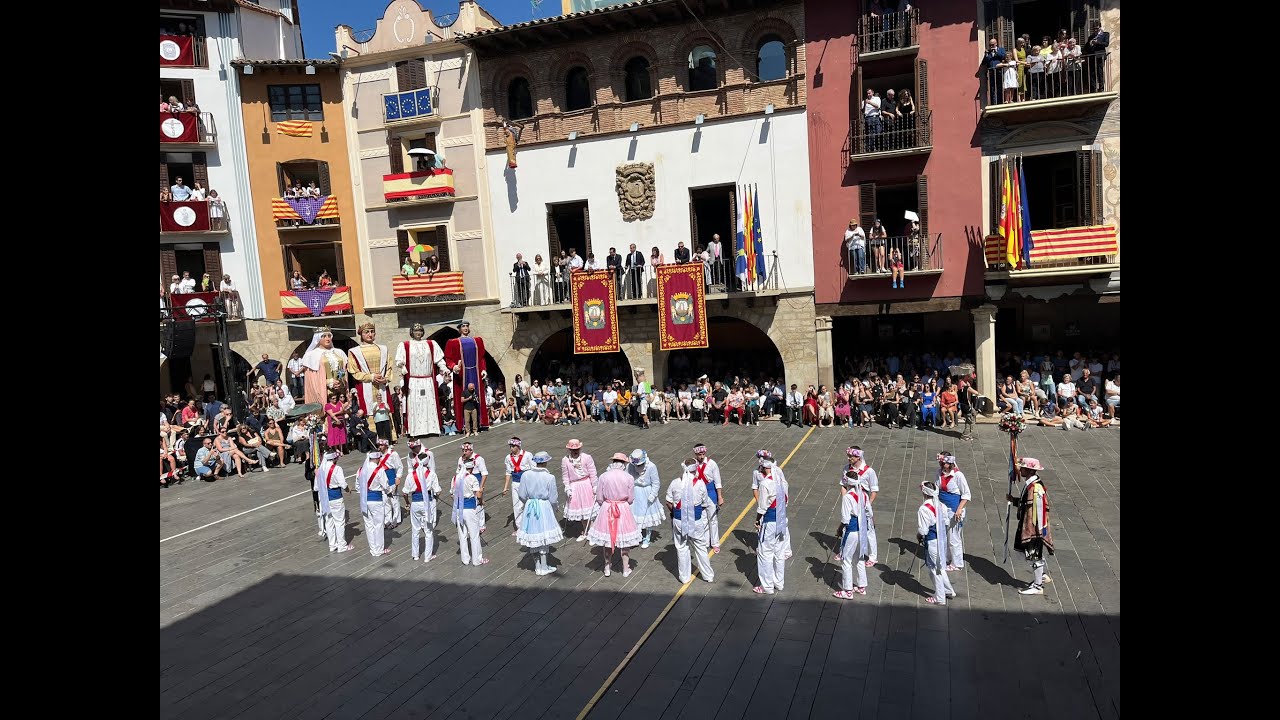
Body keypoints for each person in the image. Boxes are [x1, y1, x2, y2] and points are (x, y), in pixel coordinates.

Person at [393, 323, 451, 439]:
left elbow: (439, 359)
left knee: (429, 404)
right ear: (412, 332)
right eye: (415, 330)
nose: (418, 333)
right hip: (414, 380)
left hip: (427, 379)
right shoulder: (405, 345)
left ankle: (432, 429)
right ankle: (416, 430)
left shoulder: (431, 344)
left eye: (420, 330)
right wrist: (402, 366)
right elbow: (399, 360)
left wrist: (444, 368)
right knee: (416, 404)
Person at [588, 453, 641, 577]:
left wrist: (606, 504)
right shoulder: (628, 477)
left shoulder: (604, 476)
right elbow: (631, 498)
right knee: (625, 540)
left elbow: (599, 497)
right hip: (622, 507)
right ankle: (625, 568)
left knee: (607, 539)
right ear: (624, 463)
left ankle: (607, 567)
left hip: (608, 507)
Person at [1008, 457, 1054, 595]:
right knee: (1025, 552)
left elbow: (1039, 511)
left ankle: (1038, 585)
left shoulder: (1035, 488)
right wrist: (1014, 500)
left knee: (1033, 555)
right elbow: (1026, 504)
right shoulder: (1031, 484)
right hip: (1030, 526)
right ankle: (1042, 575)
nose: (1020, 470)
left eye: (1022, 468)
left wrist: (1037, 531)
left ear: (1028, 470)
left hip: (1034, 528)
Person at [665, 458, 715, 583]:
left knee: (682, 547)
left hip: (679, 519)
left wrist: (674, 512)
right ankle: (708, 575)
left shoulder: (675, 482)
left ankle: (684, 577)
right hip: (696, 520)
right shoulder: (700, 484)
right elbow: (704, 502)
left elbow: (668, 501)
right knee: (700, 547)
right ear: (695, 469)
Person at [517, 451, 563, 575]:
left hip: (530, 506)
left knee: (533, 533)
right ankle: (544, 566)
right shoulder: (549, 477)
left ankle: (538, 566)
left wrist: (528, 502)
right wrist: (555, 507)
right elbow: (553, 498)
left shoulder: (526, 475)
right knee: (543, 536)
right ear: (546, 462)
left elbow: (521, 494)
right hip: (543, 506)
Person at [752, 450, 789, 595]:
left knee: (765, 553)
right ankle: (779, 583)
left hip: (770, 521)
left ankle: (767, 586)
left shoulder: (766, 483)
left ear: (764, 467)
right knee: (779, 553)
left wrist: (757, 520)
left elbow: (762, 506)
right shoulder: (782, 481)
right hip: (782, 520)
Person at [443, 321, 489, 433]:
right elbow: (448, 359)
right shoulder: (453, 342)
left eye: (467, 326)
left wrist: (483, 369)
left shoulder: (477, 341)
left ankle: (480, 422)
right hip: (462, 374)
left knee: (478, 396)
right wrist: (453, 367)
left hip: (475, 372)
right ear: (459, 329)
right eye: (463, 326)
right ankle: (464, 425)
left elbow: (482, 358)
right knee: (463, 397)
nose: (465, 328)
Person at [347, 322, 391, 438]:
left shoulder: (384, 349)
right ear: (361, 334)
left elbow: (389, 366)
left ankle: (389, 436)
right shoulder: (354, 351)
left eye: (372, 331)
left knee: (384, 408)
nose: (370, 334)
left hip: (381, 385)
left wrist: (385, 378)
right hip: (366, 386)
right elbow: (354, 371)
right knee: (369, 409)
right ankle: (374, 436)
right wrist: (371, 377)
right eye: (366, 332)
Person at [833, 467, 871, 599]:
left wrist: (839, 529)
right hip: (863, 530)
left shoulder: (848, 497)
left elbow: (845, 518)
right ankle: (861, 586)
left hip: (852, 530)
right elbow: (869, 512)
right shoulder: (864, 494)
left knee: (846, 560)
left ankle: (847, 590)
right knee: (859, 558)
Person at [918, 480, 957, 605]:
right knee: (940, 567)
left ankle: (939, 598)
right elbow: (946, 522)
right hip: (941, 540)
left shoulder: (924, 509)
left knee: (935, 570)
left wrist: (919, 536)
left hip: (932, 541)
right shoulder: (941, 505)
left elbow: (923, 530)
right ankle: (948, 590)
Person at [403, 439, 442, 562]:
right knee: (429, 530)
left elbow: (404, 492)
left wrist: (408, 503)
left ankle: (415, 555)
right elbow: (438, 491)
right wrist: (436, 495)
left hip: (415, 502)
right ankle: (427, 556)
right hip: (427, 503)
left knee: (415, 530)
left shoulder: (410, 476)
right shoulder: (431, 475)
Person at [450, 448, 488, 566]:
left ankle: (465, 559)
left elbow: (452, 494)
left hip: (459, 509)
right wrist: (481, 501)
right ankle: (477, 560)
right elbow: (478, 493)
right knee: (474, 535)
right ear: (470, 468)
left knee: (462, 535)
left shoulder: (455, 478)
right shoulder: (472, 478)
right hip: (469, 509)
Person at [843, 447, 879, 566]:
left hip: (864, 502)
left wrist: (867, 504)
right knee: (847, 526)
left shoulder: (869, 471)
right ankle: (843, 549)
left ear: (858, 457)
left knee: (869, 531)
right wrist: (845, 500)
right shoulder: (846, 469)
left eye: (851, 457)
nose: (848, 459)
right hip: (851, 502)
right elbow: (843, 485)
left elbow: (874, 490)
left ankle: (873, 556)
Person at [936, 452, 971, 570]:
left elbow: (966, 494)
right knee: (944, 535)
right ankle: (946, 557)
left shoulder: (958, 476)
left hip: (955, 509)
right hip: (942, 509)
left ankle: (957, 563)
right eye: (941, 462)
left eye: (945, 462)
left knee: (954, 537)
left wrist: (959, 509)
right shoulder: (938, 473)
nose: (943, 464)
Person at [315, 447, 355, 553]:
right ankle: (342, 545)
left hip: (324, 498)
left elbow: (316, 487)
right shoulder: (337, 469)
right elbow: (343, 484)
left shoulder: (320, 470)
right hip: (335, 497)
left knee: (329, 521)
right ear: (334, 458)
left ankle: (332, 545)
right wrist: (348, 489)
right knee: (339, 522)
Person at [561, 438, 599, 541]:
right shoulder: (565, 460)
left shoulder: (586, 458)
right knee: (581, 512)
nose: (575, 451)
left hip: (586, 485)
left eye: (577, 449)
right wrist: (567, 487)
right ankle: (586, 531)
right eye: (573, 450)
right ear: (569, 450)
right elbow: (565, 476)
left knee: (589, 510)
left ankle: (593, 531)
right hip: (575, 486)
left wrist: (595, 486)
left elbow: (593, 473)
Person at [628, 449, 665, 549]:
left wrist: (652, 495)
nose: (637, 467)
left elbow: (656, 483)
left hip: (646, 492)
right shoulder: (630, 466)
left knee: (647, 515)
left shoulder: (651, 467)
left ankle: (647, 537)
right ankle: (635, 536)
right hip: (635, 491)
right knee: (634, 515)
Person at [691, 443, 724, 553]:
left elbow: (718, 481)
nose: (702, 456)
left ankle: (715, 543)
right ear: (695, 454)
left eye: (703, 454)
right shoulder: (692, 464)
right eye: (699, 454)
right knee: (703, 519)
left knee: (713, 519)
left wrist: (719, 497)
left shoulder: (712, 464)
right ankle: (705, 542)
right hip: (699, 493)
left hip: (710, 492)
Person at [302, 327, 347, 406]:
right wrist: (328, 382)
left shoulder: (339, 352)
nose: (327, 339)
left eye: (329, 336)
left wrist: (341, 381)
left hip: (340, 388)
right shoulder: (312, 355)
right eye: (324, 336)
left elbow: (342, 369)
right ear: (317, 338)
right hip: (324, 390)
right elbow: (312, 380)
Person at [503, 437, 534, 536]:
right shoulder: (508, 458)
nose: (511, 448)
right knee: (517, 506)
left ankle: (532, 525)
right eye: (510, 446)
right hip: (515, 483)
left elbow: (533, 469)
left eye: (513, 446)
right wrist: (505, 487)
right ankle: (520, 527)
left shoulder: (528, 455)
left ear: (518, 446)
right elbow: (508, 472)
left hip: (527, 482)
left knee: (530, 504)